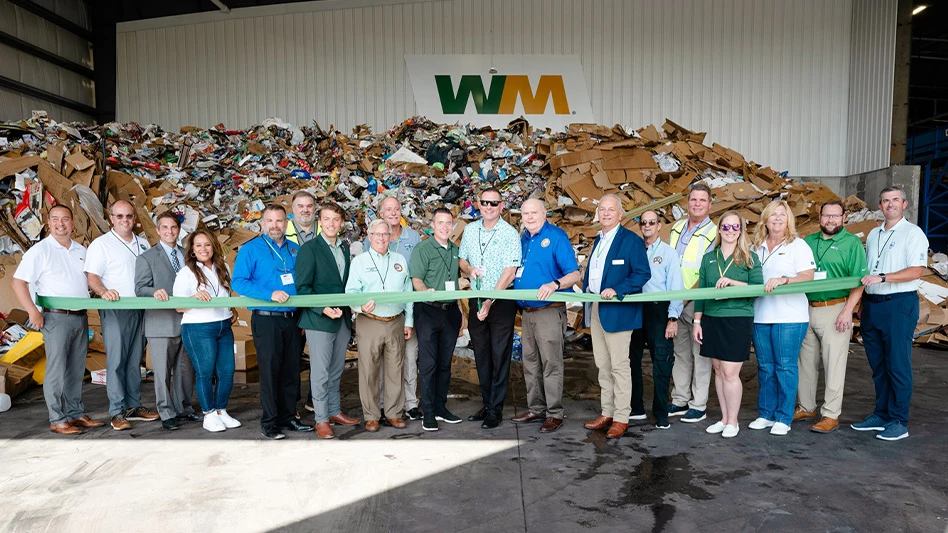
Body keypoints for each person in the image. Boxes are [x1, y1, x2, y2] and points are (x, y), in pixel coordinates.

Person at [11, 205, 105, 435]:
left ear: (73, 224)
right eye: (55, 219)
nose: (60, 224)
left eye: (65, 219)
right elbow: (18, 283)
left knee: (75, 368)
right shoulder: (40, 251)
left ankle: (74, 413)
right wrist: (33, 311)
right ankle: (57, 418)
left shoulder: (81, 250)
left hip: (80, 317)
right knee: (56, 369)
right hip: (56, 318)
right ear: (48, 223)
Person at [853, 186, 929, 441]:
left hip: (899, 304)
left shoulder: (913, 233)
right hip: (873, 306)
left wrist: (883, 277)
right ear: (880, 205)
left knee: (897, 364)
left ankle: (899, 420)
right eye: (885, 200)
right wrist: (863, 303)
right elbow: (868, 271)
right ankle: (882, 413)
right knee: (878, 365)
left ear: (904, 204)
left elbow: (916, 270)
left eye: (895, 200)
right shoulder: (874, 234)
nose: (890, 204)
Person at [232, 204, 313, 440]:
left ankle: (288, 417)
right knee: (270, 372)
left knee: (291, 372)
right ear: (262, 224)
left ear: (286, 224)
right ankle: (269, 422)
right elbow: (239, 282)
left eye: (279, 221)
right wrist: (270, 294)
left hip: (292, 319)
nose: (275, 225)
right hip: (267, 320)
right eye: (270, 221)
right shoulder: (251, 249)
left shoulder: (295, 250)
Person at [84, 200, 160, 431]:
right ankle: (117, 411)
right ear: (111, 218)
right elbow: (92, 277)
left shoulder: (143, 244)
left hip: (140, 307)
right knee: (116, 360)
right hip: (115, 307)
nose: (124, 220)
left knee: (134, 359)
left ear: (134, 218)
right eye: (119, 216)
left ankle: (134, 406)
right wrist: (104, 292)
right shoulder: (101, 245)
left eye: (128, 216)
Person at [581, 195, 651, 439]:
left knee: (620, 367)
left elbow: (643, 273)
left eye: (611, 210)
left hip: (619, 312)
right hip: (598, 310)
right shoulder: (598, 241)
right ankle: (607, 411)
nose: (606, 213)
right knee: (603, 365)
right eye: (602, 209)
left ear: (621, 215)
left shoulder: (631, 241)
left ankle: (622, 417)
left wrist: (618, 289)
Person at [510, 198, 580, 434]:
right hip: (528, 314)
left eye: (534, 213)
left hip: (548, 311)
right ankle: (536, 408)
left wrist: (555, 284)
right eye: (525, 214)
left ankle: (554, 413)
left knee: (551, 363)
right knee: (530, 363)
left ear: (544, 213)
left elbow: (574, 274)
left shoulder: (556, 237)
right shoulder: (524, 240)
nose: (529, 217)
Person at [797, 201, 868, 433]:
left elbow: (859, 281)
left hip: (835, 309)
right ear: (820, 218)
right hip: (806, 307)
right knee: (805, 362)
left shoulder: (852, 244)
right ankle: (806, 406)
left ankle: (830, 415)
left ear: (844, 218)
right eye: (826, 215)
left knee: (834, 364)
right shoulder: (807, 242)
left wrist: (848, 311)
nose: (830, 220)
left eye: (835, 216)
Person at [692, 211, 762, 439]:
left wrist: (732, 283)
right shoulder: (708, 258)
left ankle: (734, 421)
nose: (730, 231)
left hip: (737, 317)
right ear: (719, 229)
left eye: (735, 227)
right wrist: (697, 321)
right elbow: (701, 292)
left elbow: (758, 289)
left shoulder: (750, 257)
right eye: (726, 227)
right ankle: (724, 418)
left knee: (731, 372)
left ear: (741, 230)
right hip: (712, 318)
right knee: (719, 370)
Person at [749, 199, 815, 436]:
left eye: (782, 215)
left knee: (785, 366)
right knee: (765, 367)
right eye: (772, 214)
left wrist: (785, 279)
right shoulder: (756, 247)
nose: (777, 219)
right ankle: (766, 414)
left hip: (789, 316)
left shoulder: (798, 245)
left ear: (789, 220)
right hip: (761, 315)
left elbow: (808, 276)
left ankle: (784, 417)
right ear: (765, 219)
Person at [458, 187, 522, 429]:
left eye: (493, 203)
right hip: (476, 297)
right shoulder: (470, 230)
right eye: (484, 202)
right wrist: (469, 269)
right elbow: (462, 259)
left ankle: (496, 409)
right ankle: (487, 403)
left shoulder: (509, 233)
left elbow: (510, 271)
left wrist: (491, 299)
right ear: (478, 204)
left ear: (502, 206)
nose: (488, 207)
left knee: (499, 354)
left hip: (501, 299)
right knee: (482, 354)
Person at [296, 202, 360, 439]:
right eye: (327, 219)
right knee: (320, 372)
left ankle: (334, 411)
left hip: (342, 318)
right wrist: (323, 308)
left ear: (341, 223)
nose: (331, 223)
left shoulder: (344, 248)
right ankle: (321, 419)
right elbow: (302, 288)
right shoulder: (309, 249)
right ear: (319, 221)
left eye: (336, 219)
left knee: (335, 371)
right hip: (319, 320)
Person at [345, 218, 415, 432]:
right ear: (370, 236)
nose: (382, 238)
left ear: (390, 236)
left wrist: (409, 320)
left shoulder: (400, 259)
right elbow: (351, 292)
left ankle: (394, 413)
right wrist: (360, 305)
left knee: (396, 369)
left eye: (386, 234)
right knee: (369, 370)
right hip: (370, 321)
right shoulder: (360, 261)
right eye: (377, 234)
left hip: (396, 321)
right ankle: (372, 415)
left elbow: (408, 293)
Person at [134, 212, 199, 431]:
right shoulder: (147, 258)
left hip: (187, 320)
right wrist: (154, 292)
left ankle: (183, 408)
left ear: (179, 230)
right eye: (165, 227)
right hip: (161, 324)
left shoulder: (188, 256)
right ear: (158, 230)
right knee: (162, 372)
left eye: (173, 227)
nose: (170, 231)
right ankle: (166, 411)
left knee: (185, 370)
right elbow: (139, 289)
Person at [173, 228, 240, 433]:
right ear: (192, 250)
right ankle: (208, 414)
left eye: (207, 244)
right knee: (205, 373)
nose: (204, 249)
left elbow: (226, 295)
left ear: (214, 246)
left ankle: (221, 411)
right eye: (198, 245)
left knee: (227, 372)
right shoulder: (186, 273)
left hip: (224, 325)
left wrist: (232, 309)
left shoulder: (223, 267)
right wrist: (194, 298)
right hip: (198, 328)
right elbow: (178, 306)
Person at [409, 207, 466, 432]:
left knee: (445, 363)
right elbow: (417, 280)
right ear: (432, 225)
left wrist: (461, 312)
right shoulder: (423, 248)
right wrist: (426, 292)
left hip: (450, 311)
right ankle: (428, 411)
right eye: (440, 223)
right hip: (428, 311)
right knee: (429, 364)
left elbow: (457, 282)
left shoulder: (454, 250)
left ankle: (441, 408)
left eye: (448, 223)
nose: (444, 227)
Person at [668, 183, 718, 423]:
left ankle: (698, 404)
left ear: (710, 204)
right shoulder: (677, 228)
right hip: (676, 299)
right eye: (693, 200)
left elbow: (707, 272)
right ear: (687, 203)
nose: (697, 204)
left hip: (696, 300)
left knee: (700, 355)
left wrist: (684, 299)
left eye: (702, 200)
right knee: (680, 353)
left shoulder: (715, 232)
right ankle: (679, 399)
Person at [628, 210, 683, 430]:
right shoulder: (634, 250)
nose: (648, 226)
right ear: (640, 226)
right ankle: (636, 408)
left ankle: (661, 413)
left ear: (659, 226)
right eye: (644, 222)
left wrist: (673, 317)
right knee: (632, 360)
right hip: (634, 309)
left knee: (661, 362)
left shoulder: (668, 253)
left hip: (659, 312)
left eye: (652, 222)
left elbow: (676, 287)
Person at [377, 195, 423, 421]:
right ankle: (387, 404)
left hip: (407, 309)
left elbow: (415, 276)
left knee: (409, 357)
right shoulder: (375, 235)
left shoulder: (413, 237)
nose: (393, 213)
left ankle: (411, 403)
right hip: (383, 313)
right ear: (381, 214)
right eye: (388, 210)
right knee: (387, 360)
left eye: (397, 208)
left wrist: (411, 318)